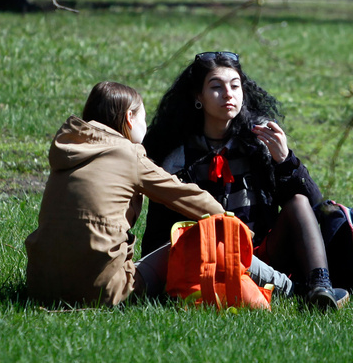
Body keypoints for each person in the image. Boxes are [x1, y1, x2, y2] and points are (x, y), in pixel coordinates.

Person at [142, 51, 348, 309]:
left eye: (235, 86)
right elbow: (159, 233)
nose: (228, 94)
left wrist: (285, 160)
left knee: (297, 201)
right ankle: (293, 290)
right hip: (208, 256)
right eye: (216, 87)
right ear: (198, 97)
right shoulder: (178, 157)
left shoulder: (258, 143)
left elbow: (314, 205)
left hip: (261, 254)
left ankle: (320, 287)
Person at [24, 81, 225, 306]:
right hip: (102, 291)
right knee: (190, 241)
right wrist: (230, 221)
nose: (145, 126)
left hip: (40, 286)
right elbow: (185, 196)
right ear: (130, 117)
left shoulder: (69, 149)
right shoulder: (128, 154)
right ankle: (260, 277)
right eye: (144, 118)